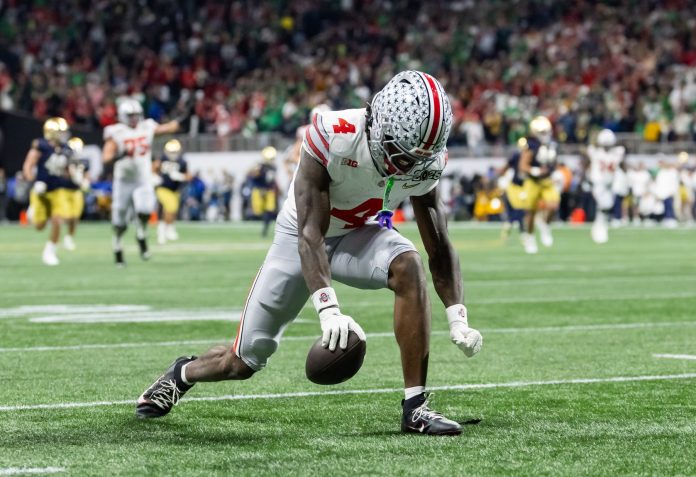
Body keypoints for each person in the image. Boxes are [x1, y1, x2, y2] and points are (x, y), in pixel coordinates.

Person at [135, 71, 483, 436]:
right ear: (379, 124)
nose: (409, 168)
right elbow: (309, 233)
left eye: (418, 159)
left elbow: (439, 243)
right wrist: (329, 310)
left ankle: (416, 407)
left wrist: (457, 315)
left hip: (357, 233)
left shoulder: (425, 160)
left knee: (408, 265)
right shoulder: (333, 134)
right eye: (401, 155)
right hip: (299, 236)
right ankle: (183, 373)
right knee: (243, 361)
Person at [102, 98, 186, 266]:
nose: (134, 119)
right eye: (130, 115)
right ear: (122, 116)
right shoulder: (116, 132)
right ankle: (117, 245)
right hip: (123, 180)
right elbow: (106, 158)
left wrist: (182, 116)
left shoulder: (146, 126)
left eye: (136, 115)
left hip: (142, 178)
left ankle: (141, 233)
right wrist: (120, 155)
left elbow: (169, 127)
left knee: (146, 209)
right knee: (120, 221)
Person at [22, 117, 75, 265]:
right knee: (40, 226)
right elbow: (28, 164)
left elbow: (67, 171)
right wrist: (33, 181)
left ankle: (49, 252)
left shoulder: (66, 149)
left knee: (58, 220)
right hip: (41, 190)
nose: (64, 135)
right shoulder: (41, 145)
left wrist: (74, 175)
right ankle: (32, 209)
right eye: (61, 132)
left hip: (57, 190)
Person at [517, 116, 559, 254]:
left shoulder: (552, 144)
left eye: (546, 131)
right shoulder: (531, 145)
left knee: (553, 205)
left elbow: (552, 162)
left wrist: (554, 172)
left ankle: (545, 225)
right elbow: (523, 166)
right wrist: (536, 171)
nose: (545, 135)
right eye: (542, 132)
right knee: (530, 212)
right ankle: (530, 237)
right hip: (532, 181)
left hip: (546, 180)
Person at [585, 129, 625, 243]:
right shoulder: (598, 152)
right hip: (599, 183)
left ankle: (599, 226)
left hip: (610, 183)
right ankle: (599, 228)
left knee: (607, 206)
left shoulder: (616, 152)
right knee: (604, 205)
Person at [153, 139, 189, 244]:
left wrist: (181, 176)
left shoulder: (182, 162)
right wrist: (154, 176)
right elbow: (154, 168)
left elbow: (188, 176)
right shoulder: (162, 159)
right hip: (163, 188)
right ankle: (168, 229)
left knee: (172, 211)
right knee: (170, 207)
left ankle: (163, 229)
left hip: (175, 190)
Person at [62, 136, 90, 250]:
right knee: (65, 215)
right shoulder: (65, 159)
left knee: (75, 217)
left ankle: (69, 237)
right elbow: (63, 174)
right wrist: (71, 173)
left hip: (77, 191)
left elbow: (86, 175)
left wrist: (85, 182)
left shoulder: (84, 161)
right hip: (64, 190)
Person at [246, 146, 279, 236]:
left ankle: (265, 229)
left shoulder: (273, 167)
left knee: (270, 209)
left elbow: (271, 180)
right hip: (259, 190)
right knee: (258, 212)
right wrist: (256, 171)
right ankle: (254, 218)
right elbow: (251, 176)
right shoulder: (259, 166)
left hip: (268, 190)